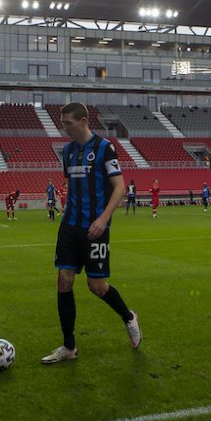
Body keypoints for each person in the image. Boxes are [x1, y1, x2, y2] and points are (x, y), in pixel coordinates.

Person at [42, 102, 140, 364]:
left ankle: (129, 317)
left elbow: (119, 187)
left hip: (96, 227)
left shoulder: (104, 148)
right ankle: (69, 346)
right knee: (64, 279)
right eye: (62, 123)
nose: (64, 128)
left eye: (68, 123)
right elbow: (71, 183)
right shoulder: (68, 151)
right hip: (70, 225)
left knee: (96, 286)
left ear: (83, 120)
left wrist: (103, 218)